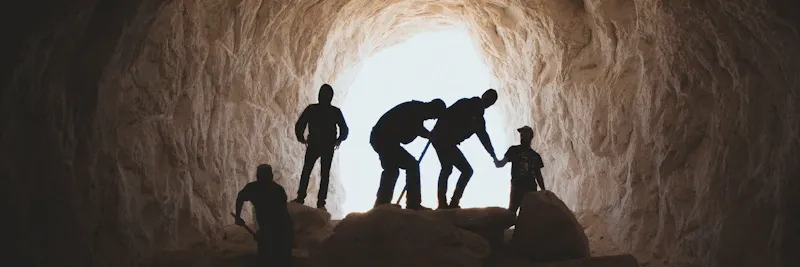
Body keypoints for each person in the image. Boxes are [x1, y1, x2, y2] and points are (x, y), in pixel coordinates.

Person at [429, 89, 500, 210]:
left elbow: (484, 139)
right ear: (483, 96)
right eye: (487, 99)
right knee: (463, 170)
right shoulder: (466, 105)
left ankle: (446, 203)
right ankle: (449, 203)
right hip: (443, 139)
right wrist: (436, 133)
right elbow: (445, 115)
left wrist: (493, 156)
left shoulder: (477, 118)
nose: (487, 102)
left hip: (442, 139)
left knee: (448, 169)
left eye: (490, 101)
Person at [370, 98, 447, 210]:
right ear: (432, 109)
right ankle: (413, 203)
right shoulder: (417, 111)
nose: (433, 118)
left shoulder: (416, 109)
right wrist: (429, 135)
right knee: (412, 165)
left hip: (381, 138)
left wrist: (427, 134)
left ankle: (382, 203)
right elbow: (409, 136)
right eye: (434, 115)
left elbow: (413, 131)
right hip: (384, 139)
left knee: (391, 170)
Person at [293, 84, 349, 211]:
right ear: (331, 97)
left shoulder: (312, 109)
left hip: (314, 144)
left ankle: (301, 198)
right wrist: (338, 140)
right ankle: (321, 203)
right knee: (325, 174)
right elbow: (345, 130)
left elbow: (300, 125)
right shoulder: (335, 112)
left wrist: (301, 138)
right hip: (328, 146)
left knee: (306, 171)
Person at [234, 164, 294, 267]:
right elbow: (240, 198)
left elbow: (277, 217)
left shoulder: (255, 188)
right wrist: (238, 217)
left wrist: (264, 233)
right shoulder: (277, 190)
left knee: (270, 258)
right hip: (283, 229)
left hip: (281, 229)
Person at [495, 126, 546, 214]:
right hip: (517, 186)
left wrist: (544, 191)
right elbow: (501, 164)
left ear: (530, 137)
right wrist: (497, 161)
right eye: (521, 135)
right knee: (512, 212)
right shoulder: (514, 150)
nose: (522, 137)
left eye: (524, 135)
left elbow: (538, 175)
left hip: (529, 188)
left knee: (529, 213)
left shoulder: (535, 156)